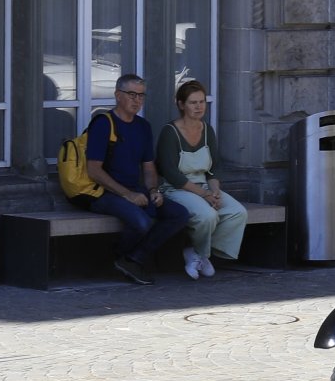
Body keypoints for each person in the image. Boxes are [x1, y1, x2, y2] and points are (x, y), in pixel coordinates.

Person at [85, 73, 188, 285]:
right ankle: (114, 259)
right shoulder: (103, 123)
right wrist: (127, 194)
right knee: (142, 222)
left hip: (135, 189)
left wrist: (153, 191)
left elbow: (149, 168)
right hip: (103, 192)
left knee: (179, 214)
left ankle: (133, 259)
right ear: (117, 95)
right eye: (131, 94)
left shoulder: (143, 127)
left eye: (141, 95)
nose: (137, 100)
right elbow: (93, 170)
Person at [157, 80, 248, 279]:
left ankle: (198, 253)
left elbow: (213, 169)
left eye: (201, 102)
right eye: (193, 102)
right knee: (207, 216)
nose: (199, 107)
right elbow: (171, 173)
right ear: (181, 105)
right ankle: (200, 254)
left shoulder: (207, 130)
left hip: (204, 186)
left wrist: (214, 191)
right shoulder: (170, 132)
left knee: (237, 212)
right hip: (177, 189)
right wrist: (205, 194)